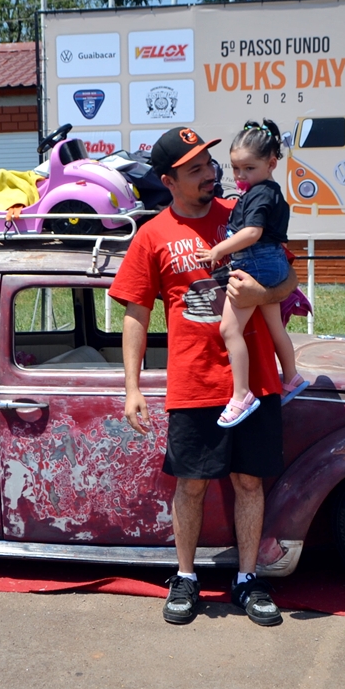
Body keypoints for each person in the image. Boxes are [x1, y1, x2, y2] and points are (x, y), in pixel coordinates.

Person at [109, 126, 297, 628]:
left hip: (254, 381)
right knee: (190, 485)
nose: (210, 174)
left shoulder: (243, 213)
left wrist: (263, 295)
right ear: (168, 181)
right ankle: (187, 576)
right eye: (195, 169)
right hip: (193, 382)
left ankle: (248, 579)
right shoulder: (152, 235)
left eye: (210, 164)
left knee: (249, 482)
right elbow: (135, 313)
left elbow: (288, 277)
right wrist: (132, 387)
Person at [194, 119, 307, 428]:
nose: (241, 176)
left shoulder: (259, 194)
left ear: (271, 164)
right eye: (235, 168)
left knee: (230, 330)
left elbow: (253, 232)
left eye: (249, 168)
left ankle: (241, 394)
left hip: (255, 263)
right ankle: (292, 377)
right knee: (275, 327)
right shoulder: (270, 191)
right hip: (272, 264)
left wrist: (218, 251)